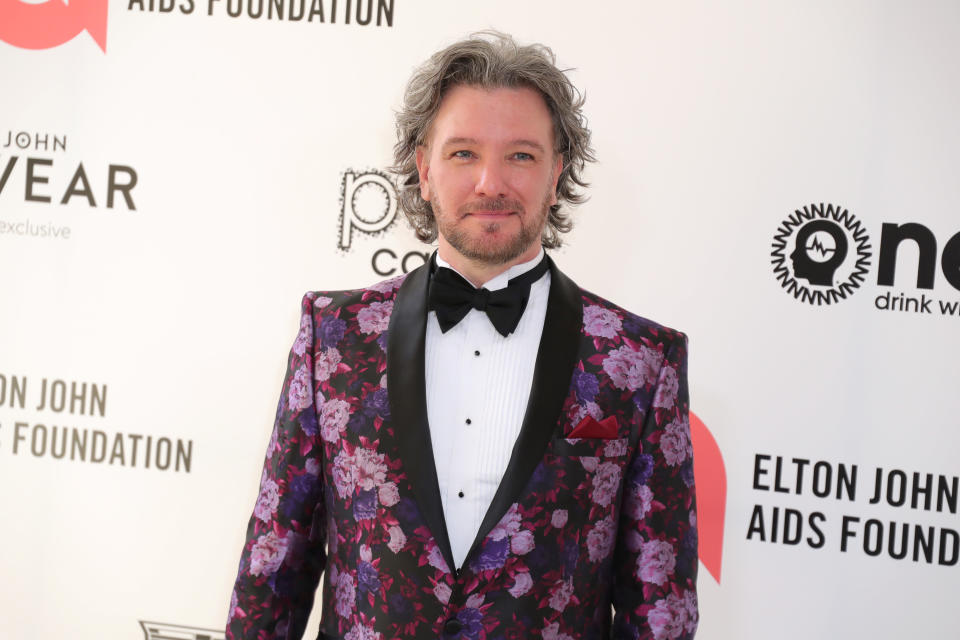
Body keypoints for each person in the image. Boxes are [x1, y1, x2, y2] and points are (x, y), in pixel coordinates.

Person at [226, 31, 698, 640]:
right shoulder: (334, 337)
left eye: (522, 156)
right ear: (423, 169)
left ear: (557, 174)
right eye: (463, 153)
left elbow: (661, 612)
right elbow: (273, 572)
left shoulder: (639, 362)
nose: (490, 183)